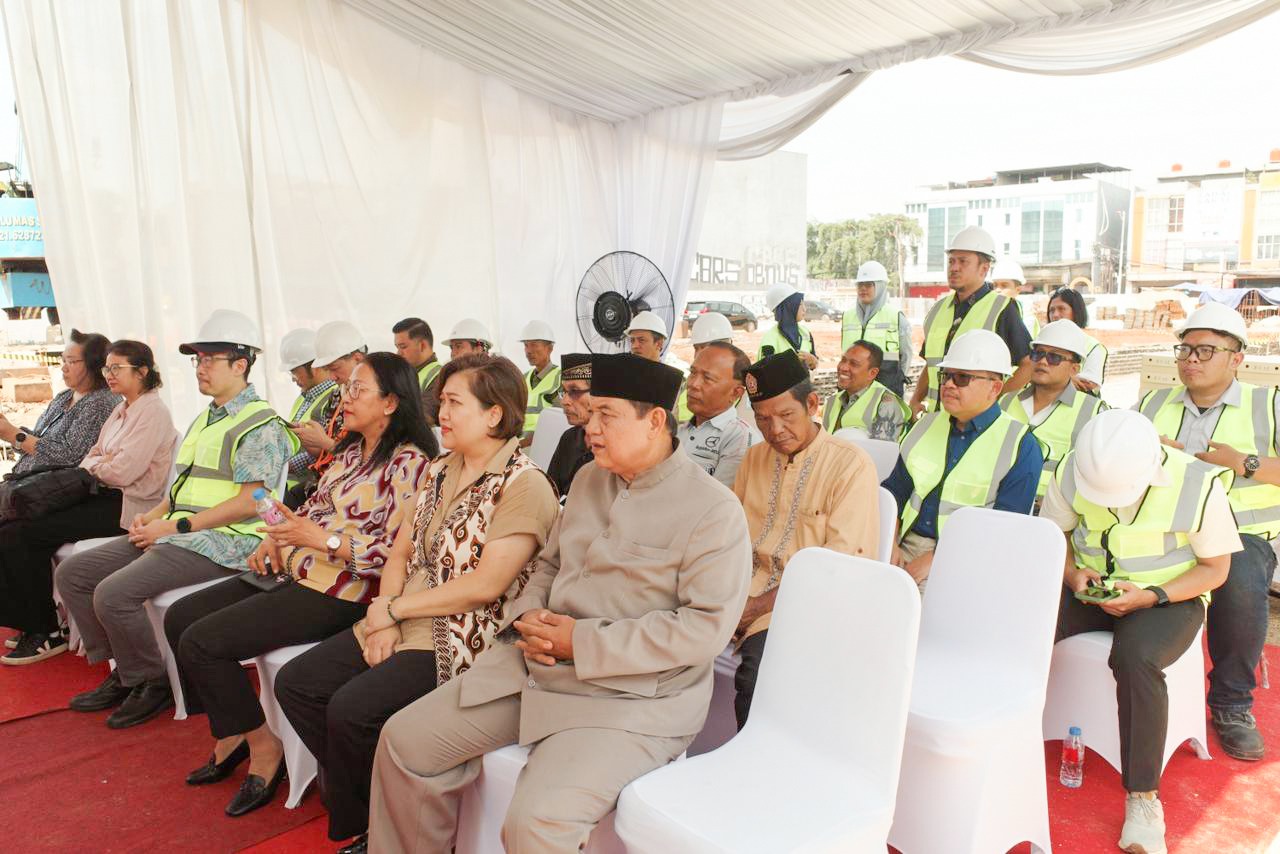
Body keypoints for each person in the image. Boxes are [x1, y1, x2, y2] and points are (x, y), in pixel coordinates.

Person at [364, 353, 750, 853]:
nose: (590, 427)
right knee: (405, 741)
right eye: (590, 414)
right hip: (535, 666)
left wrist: (581, 642)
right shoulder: (589, 480)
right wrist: (527, 615)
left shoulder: (713, 510)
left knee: (536, 824)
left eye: (606, 415)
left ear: (655, 421)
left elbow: (704, 629)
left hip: (629, 701)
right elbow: (546, 566)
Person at [273, 353, 557, 851]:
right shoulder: (440, 469)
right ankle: (371, 805)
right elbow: (401, 551)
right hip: (400, 615)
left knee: (351, 709)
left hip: (460, 634)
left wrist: (394, 612)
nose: (440, 414)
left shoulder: (523, 483)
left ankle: (374, 823)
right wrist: (383, 615)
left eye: (453, 403)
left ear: (494, 414)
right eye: (440, 401)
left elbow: (486, 586)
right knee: (298, 683)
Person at [161, 352, 435, 818]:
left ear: (391, 402)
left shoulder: (410, 463)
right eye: (346, 388)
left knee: (204, 643)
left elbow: (396, 555)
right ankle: (234, 733)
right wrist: (279, 535)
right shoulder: (351, 452)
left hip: (343, 592)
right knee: (179, 617)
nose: (344, 398)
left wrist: (322, 540)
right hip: (297, 570)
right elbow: (312, 511)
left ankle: (264, 748)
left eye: (357, 389)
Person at [54, 310, 294, 729]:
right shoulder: (207, 417)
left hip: (225, 540)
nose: (199, 369)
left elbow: (251, 502)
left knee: (112, 593)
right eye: (196, 360)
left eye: (209, 360)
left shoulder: (260, 422)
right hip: (180, 532)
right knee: (74, 574)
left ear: (241, 365)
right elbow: (183, 487)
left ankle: (150, 681)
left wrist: (175, 527)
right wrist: (154, 516)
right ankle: (122, 669)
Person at [1048, 409, 1236, 854]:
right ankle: (1006, 743)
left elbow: (1216, 569)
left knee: (1136, 658)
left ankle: (1143, 798)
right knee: (1024, 624)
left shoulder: (1198, 482)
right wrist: (1074, 576)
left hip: (1170, 597)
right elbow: (1053, 540)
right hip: (1091, 589)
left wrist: (1151, 595)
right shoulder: (1073, 469)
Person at [1137, 302, 1279, 761]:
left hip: (1242, 533)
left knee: (1237, 579)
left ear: (1237, 358)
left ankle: (1232, 703)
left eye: (1204, 350)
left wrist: (1243, 463)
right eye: (1185, 349)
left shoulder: (1268, 403)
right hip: (1168, 529)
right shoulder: (1152, 404)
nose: (1190, 359)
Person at [1, 340, 177, 665]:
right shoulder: (123, 408)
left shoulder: (151, 411)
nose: (109, 374)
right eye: (107, 368)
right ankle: (34, 622)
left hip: (127, 506)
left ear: (142, 372)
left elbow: (122, 471)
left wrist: (99, 465)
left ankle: (46, 631)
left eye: (116, 368)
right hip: (100, 493)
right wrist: (101, 464)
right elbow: (91, 457)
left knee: (25, 532)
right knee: (13, 524)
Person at [731, 350, 879, 727]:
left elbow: (840, 569)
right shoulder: (754, 459)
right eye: (763, 419)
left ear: (812, 404)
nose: (774, 429)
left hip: (807, 604)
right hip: (739, 595)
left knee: (761, 677)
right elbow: (729, 538)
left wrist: (754, 607)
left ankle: (759, 773)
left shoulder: (850, 465)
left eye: (786, 416)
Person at [886, 330, 1042, 590]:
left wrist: (936, 559)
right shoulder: (925, 426)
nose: (947, 385)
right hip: (901, 545)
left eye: (962, 378)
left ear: (995, 387)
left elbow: (1005, 530)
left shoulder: (1020, 445)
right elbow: (893, 491)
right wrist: (889, 541)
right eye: (946, 376)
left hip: (971, 558)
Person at [909, 227, 1033, 417]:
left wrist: (993, 400)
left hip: (975, 422)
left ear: (984, 269)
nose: (954, 267)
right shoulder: (937, 310)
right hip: (936, 419)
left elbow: (1028, 365)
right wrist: (916, 399)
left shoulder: (1002, 309)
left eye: (963, 261)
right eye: (951, 261)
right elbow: (932, 364)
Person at [999, 320, 1107, 503]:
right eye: (1037, 354)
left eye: (1054, 357)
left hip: (1054, 514)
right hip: (1000, 506)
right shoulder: (1006, 401)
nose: (1042, 361)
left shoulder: (1093, 412)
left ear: (1075, 368)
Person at [0, 328, 118, 476]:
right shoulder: (65, 396)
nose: (63, 368)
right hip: (27, 486)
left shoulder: (101, 403)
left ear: (94, 365)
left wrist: (14, 434)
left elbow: (70, 457)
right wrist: (10, 432)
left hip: (54, 494)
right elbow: (39, 440)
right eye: (63, 361)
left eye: (71, 362)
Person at [288, 321, 367, 504]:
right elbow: (328, 451)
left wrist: (323, 442)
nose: (332, 377)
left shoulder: (374, 400)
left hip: (352, 490)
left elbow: (370, 457)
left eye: (335, 368)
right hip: (327, 482)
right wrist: (311, 440)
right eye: (328, 370)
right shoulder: (336, 395)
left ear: (357, 358)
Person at [679, 341, 754, 487]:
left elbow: (717, 503)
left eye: (708, 378)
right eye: (693, 373)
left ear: (735, 393)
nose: (693, 384)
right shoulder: (678, 431)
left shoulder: (739, 439)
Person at [279, 328, 340, 498]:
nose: (292, 378)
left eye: (294, 371)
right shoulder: (304, 397)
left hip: (311, 488)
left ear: (313, 366)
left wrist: (283, 466)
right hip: (290, 485)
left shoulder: (333, 398)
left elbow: (321, 448)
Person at [840, 260, 913, 396]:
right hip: (852, 389)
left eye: (868, 285)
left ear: (880, 287)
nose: (863, 289)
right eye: (860, 284)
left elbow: (906, 355)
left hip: (884, 390)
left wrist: (896, 380)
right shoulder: (847, 316)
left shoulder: (896, 317)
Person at [822, 340, 909, 442]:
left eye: (854, 364)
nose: (843, 367)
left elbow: (884, 454)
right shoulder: (832, 401)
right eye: (843, 360)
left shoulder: (886, 404)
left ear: (872, 373)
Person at [545, 353, 594, 499]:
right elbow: (550, 493)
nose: (564, 401)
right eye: (564, 392)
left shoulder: (615, 447)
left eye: (574, 391)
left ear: (598, 394)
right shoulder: (569, 438)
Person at [1048, 287, 1108, 393]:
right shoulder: (1042, 343)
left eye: (1061, 309)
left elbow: (1087, 384)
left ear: (1076, 312)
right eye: (1052, 310)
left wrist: (1047, 378)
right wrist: (1068, 379)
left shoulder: (1094, 348)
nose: (1055, 315)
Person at [517, 319, 561, 446]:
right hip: (521, 447)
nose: (528, 351)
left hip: (546, 447)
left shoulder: (560, 378)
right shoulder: (522, 378)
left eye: (534, 344)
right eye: (526, 345)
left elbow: (563, 422)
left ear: (550, 348)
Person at [391, 317, 442, 426]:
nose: (398, 353)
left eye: (403, 347)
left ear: (422, 345)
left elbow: (424, 416)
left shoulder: (439, 375)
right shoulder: (407, 374)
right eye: (397, 347)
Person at [757, 283, 818, 370]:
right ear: (789, 307)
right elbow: (765, 372)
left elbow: (813, 364)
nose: (804, 309)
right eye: (800, 305)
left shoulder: (805, 333)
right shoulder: (770, 340)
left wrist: (813, 361)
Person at [991, 259, 1040, 337]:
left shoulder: (1028, 317)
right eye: (995, 285)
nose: (998, 290)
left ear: (1018, 290)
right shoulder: (987, 310)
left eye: (1004, 285)